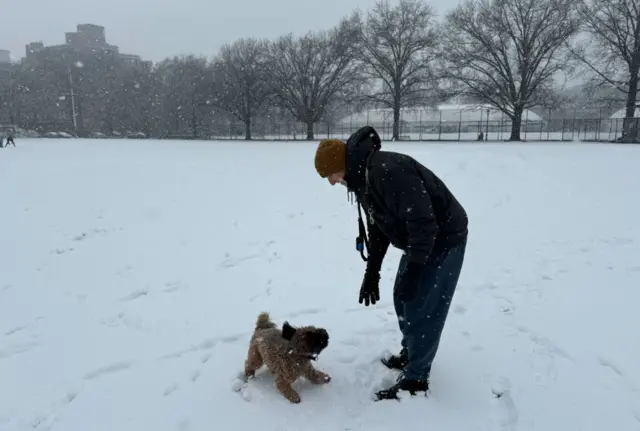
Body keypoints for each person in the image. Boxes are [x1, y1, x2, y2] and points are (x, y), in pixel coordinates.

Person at [313, 126, 469, 401]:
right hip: (419, 239)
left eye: (330, 175)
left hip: (442, 237)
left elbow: (423, 222)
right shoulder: (362, 179)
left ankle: (416, 381)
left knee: (424, 305)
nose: (332, 182)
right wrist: (371, 270)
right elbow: (379, 226)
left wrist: (416, 269)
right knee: (403, 297)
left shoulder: (388, 171)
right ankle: (412, 353)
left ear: (340, 166)